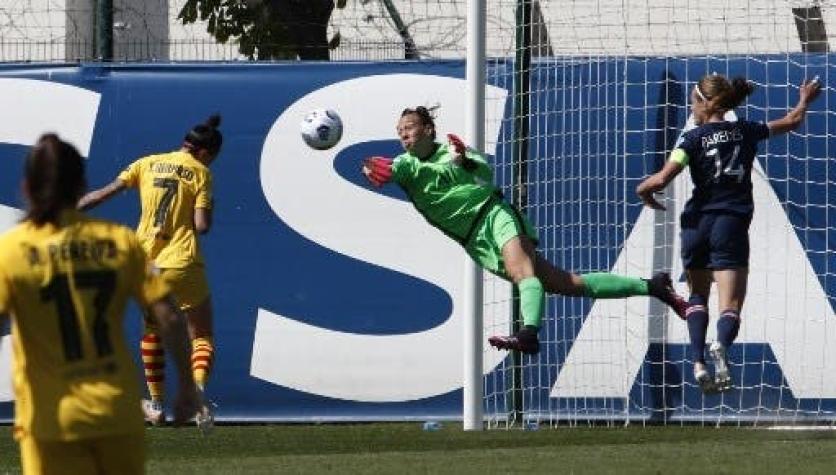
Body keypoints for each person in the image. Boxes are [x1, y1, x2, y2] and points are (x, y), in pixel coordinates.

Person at [361, 106, 687, 355]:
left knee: (522, 274)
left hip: (494, 214)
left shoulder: (453, 149)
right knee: (566, 283)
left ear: (428, 129)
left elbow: (484, 172)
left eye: (410, 128)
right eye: (399, 131)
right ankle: (654, 287)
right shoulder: (406, 165)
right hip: (474, 240)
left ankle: (529, 334)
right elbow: (385, 168)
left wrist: (463, 161)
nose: (404, 135)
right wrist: (372, 167)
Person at [0, 134, 199, 475]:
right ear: (81, 186)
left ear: (27, 186)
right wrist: (185, 384)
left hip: (51, 420)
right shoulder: (118, 242)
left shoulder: (11, 250)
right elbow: (168, 314)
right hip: (117, 414)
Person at [636, 74, 821, 393]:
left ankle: (697, 363)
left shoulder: (690, 140)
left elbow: (663, 178)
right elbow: (792, 121)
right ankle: (720, 344)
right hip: (730, 223)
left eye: (693, 102)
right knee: (730, 305)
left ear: (705, 104)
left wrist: (643, 190)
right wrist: (804, 100)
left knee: (696, 296)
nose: (691, 109)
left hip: (696, 224)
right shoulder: (746, 131)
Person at [78, 114, 221, 430]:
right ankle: (196, 395)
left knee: (152, 333)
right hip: (182, 263)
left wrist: (67, 211)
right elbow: (202, 225)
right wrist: (207, 206)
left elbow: (103, 193)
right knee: (201, 334)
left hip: (146, 266)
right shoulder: (201, 173)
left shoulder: (147, 163)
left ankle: (155, 405)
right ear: (206, 153)